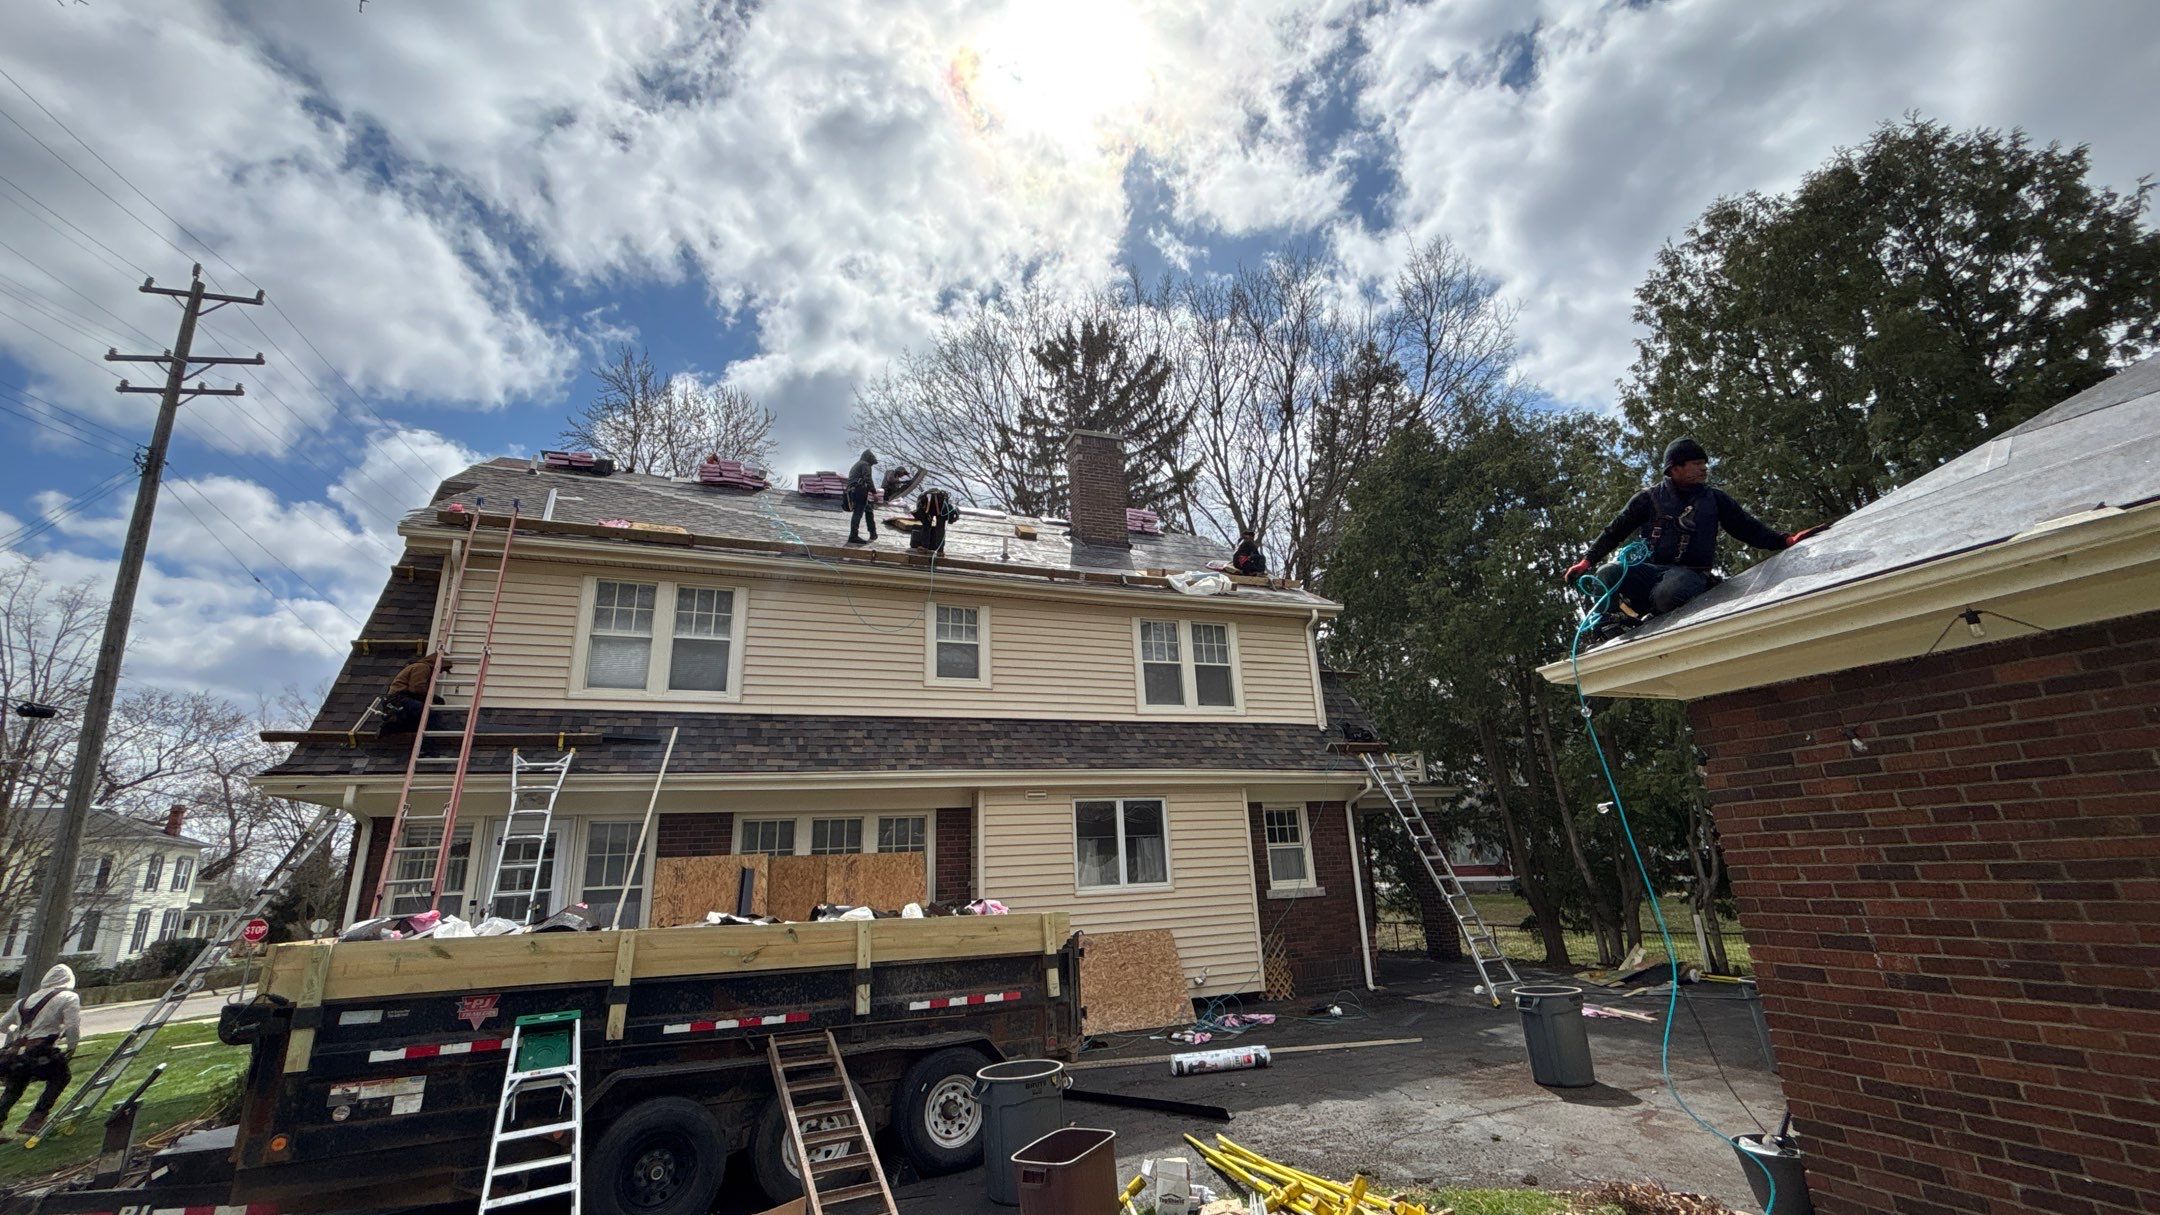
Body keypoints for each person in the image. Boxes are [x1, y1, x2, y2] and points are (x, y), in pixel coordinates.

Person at [1564, 437, 1824, 620]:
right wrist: (1586, 562)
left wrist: (1785, 541)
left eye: (1704, 464)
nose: (1704, 469)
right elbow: (1615, 531)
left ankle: (1649, 606)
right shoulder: (1648, 498)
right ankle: (1610, 624)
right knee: (1607, 572)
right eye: (1696, 463)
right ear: (1675, 468)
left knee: (1669, 593)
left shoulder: (1715, 499)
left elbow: (1746, 527)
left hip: (1690, 573)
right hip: (1652, 570)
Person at [0, 964, 81, 1141]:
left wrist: (16, 1031)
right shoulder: (68, 997)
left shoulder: (23, 1001)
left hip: (16, 1054)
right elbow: (72, 1026)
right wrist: (71, 1047)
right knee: (61, 1077)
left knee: (14, 1087)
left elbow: (2, 1026)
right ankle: (35, 1119)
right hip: (41, 1052)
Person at [381, 651, 451, 734]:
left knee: (416, 720)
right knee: (429, 714)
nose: (440, 672)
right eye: (442, 669)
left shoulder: (421, 667)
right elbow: (416, 688)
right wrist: (435, 698)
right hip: (399, 698)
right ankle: (433, 740)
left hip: (398, 699)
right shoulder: (423, 667)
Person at [845, 449, 879, 544]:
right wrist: (874, 492)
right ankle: (853, 536)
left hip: (854, 490)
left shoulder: (858, 464)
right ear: (869, 458)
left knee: (868, 510)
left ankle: (873, 533)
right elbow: (867, 478)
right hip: (859, 490)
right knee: (858, 513)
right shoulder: (865, 464)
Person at [910, 488, 958, 553]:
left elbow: (919, 514)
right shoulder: (944, 503)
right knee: (940, 528)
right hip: (938, 508)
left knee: (926, 526)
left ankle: (924, 547)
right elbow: (953, 516)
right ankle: (940, 550)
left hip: (928, 508)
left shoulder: (923, 499)